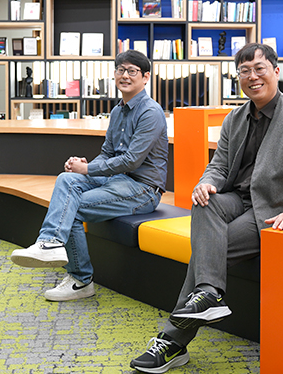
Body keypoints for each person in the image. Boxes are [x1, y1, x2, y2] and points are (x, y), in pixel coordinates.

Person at [130, 43, 283, 374]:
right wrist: (205, 182)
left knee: (206, 254)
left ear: (276, 71)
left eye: (259, 69)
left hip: (274, 210)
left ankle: (172, 341)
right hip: (238, 199)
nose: (252, 76)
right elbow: (219, 165)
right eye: (245, 71)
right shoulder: (235, 118)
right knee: (204, 201)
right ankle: (209, 294)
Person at [10, 50, 168, 301]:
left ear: (145, 77)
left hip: (143, 189)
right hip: (117, 179)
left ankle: (81, 280)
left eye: (132, 71)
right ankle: (50, 243)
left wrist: (89, 170)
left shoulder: (151, 112)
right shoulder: (117, 112)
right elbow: (108, 153)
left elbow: (132, 160)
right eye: (120, 70)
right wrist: (86, 165)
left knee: (70, 207)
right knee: (66, 179)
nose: (125, 76)